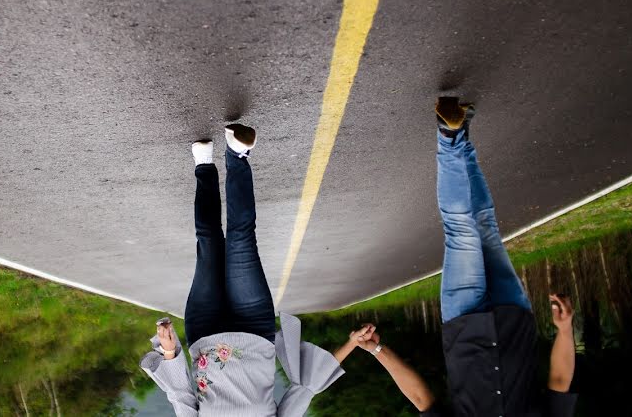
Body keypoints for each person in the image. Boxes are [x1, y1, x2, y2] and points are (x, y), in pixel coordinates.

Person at [351, 97, 579, 416]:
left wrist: (377, 349)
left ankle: (449, 136)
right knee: (485, 222)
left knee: (461, 230)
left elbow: (421, 399)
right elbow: (559, 380)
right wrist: (565, 329)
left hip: (463, 318)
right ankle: (461, 136)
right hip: (513, 313)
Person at [139, 123, 367, 416]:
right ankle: (237, 155)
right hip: (255, 330)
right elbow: (307, 387)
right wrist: (352, 343)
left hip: (204, 333)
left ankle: (204, 168)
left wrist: (169, 353)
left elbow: (181, 395)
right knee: (241, 239)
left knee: (208, 241)